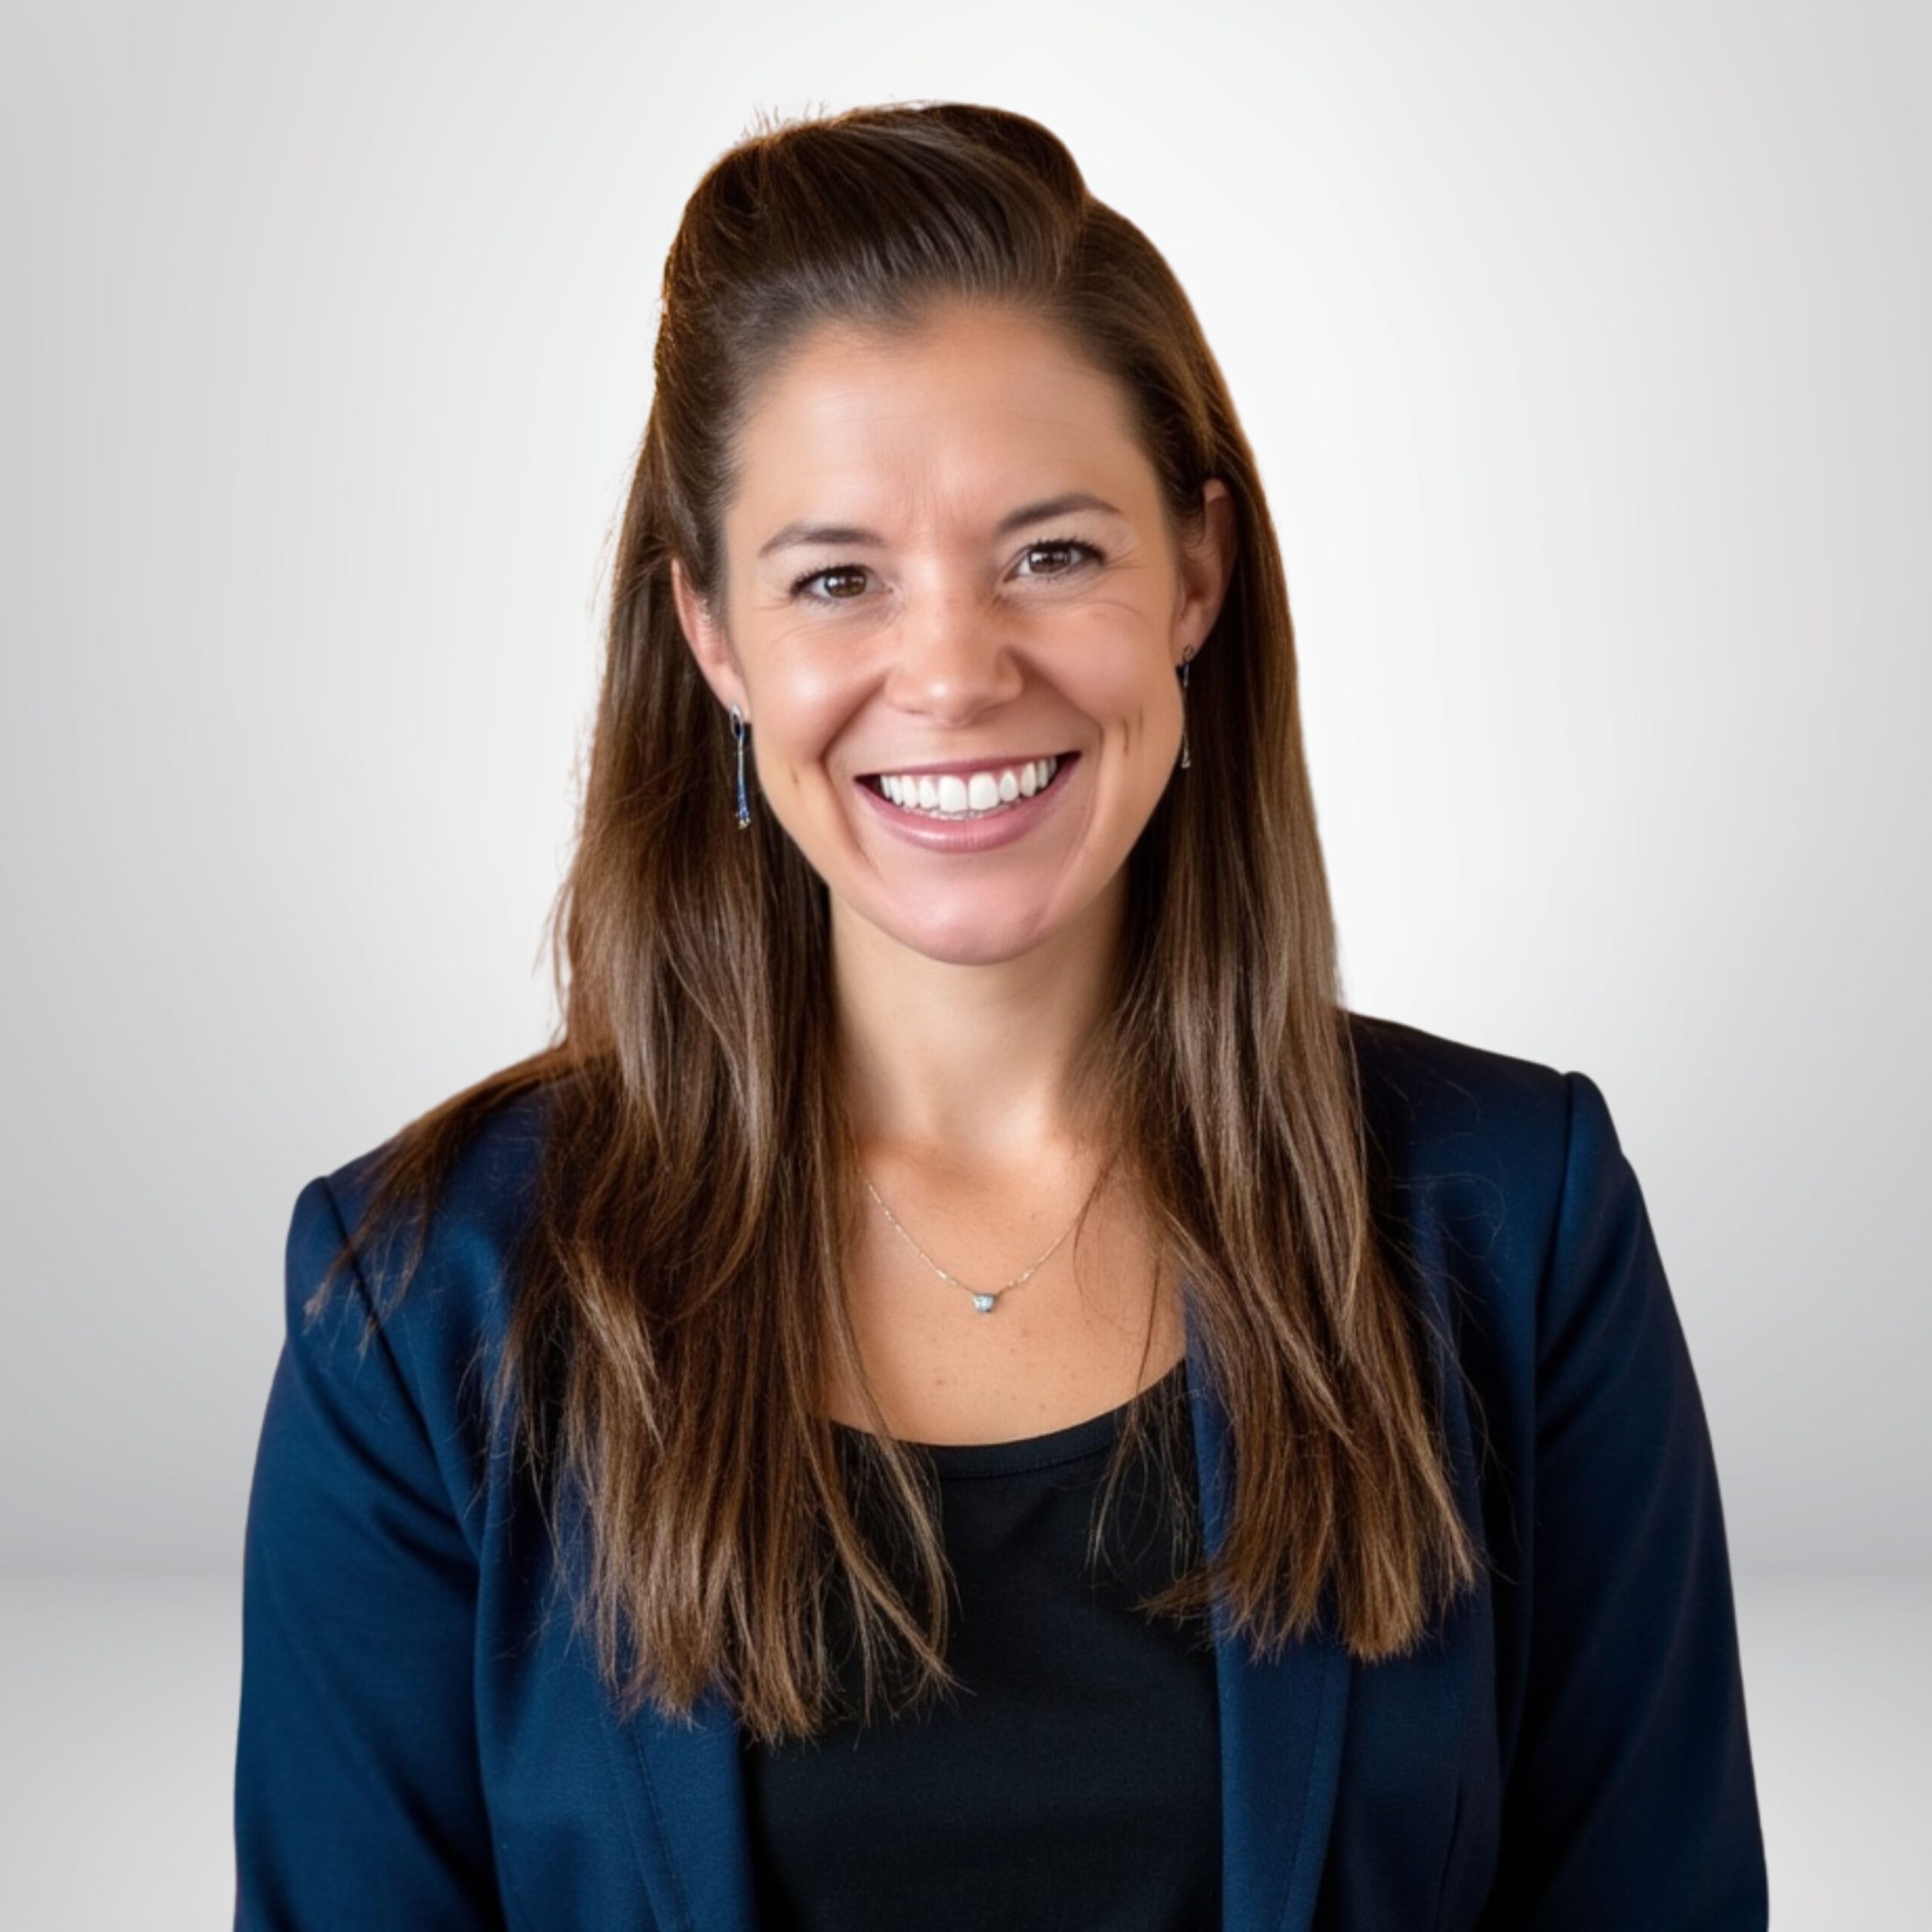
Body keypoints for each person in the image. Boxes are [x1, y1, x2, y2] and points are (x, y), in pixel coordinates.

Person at [232, 101, 1769, 1930]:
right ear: (712, 636)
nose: (954, 668)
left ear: (1193, 572)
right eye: (834, 578)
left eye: (1050, 553)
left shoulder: (1518, 1224)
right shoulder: (421, 1307)